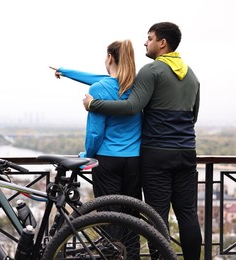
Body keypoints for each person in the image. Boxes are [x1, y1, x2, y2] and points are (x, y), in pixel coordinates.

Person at [83, 22, 202, 259]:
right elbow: (194, 116)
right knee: (187, 214)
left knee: (157, 215)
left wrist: (93, 104)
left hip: (156, 154)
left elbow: (132, 106)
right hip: (187, 151)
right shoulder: (191, 75)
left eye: (149, 38)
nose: (145, 43)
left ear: (162, 43)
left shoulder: (152, 70)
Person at [52, 40, 142, 258]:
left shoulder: (98, 90)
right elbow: (99, 78)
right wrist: (65, 72)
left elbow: (95, 133)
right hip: (135, 160)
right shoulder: (138, 86)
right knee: (132, 216)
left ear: (109, 58)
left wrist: (87, 156)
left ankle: (112, 256)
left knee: (110, 216)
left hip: (107, 160)